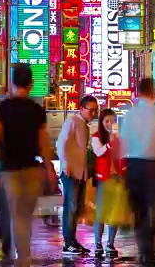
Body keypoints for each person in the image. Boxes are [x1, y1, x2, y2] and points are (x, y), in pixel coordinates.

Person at [0, 64, 57, 267]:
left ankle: (23, 258)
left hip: (10, 170)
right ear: (31, 84)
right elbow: (44, 143)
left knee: (16, 215)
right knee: (25, 216)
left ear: (12, 83)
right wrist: (50, 169)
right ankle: (24, 256)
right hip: (33, 170)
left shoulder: (3, 108)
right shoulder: (37, 110)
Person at [119, 78, 155, 266]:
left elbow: (123, 142)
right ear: (153, 92)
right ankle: (149, 250)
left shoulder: (129, 114)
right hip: (154, 165)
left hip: (134, 166)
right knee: (152, 207)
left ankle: (144, 250)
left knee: (140, 210)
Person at [56, 95, 99, 254]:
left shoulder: (84, 125)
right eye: (91, 110)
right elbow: (61, 143)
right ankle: (68, 243)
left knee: (77, 208)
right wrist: (66, 164)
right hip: (70, 172)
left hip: (79, 173)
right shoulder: (72, 121)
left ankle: (72, 241)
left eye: (95, 111)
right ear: (81, 108)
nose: (93, 114)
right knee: (71, 207)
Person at [91, 108, 121, 257]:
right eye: (106, 121)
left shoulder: (119, 138)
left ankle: (110, 243)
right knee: (101, 213)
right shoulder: (96, 137)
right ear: (101, 122)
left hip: (117, 178)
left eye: (112, 121)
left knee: (115, 213)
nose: (110, 124)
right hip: (104, 178)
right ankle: (98, 243)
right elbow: (99, 152)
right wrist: (110, 144)